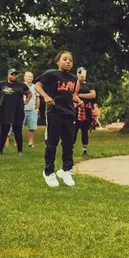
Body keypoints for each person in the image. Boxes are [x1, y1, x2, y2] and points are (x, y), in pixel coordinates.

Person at [35, 51, 81, 187]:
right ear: (58, 62)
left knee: (68, 144)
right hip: (54, 113)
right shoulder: (52, 74)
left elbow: (70, 93)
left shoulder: (73, 78)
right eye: (65, 59)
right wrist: (45, 96)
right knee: (52, 143)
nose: (68, 62)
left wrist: (78, 100)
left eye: (70, 60)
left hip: (69, 113)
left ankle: (66, 170)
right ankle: (48, 172)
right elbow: (37, 85)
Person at [0, 69, 32, 155]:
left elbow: (29, 93)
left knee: (17, 131)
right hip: (4, 111)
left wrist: (27, 101)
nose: (14, 76)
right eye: (12, 74)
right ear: (8, 75)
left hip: (18, 111)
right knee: (3, 131)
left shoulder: (21, 85)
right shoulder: (2, 84)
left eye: (15, 74)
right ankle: (0, 150)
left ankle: (20, 151)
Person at [74, 68, 96, 157]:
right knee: (74, 129)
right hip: (76, 108)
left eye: (84, 73)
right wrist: (78, 81)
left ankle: (85, 150)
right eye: (81, 73)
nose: (83, 75)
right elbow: (74, 93)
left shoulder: (89, 85)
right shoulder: (75, 83)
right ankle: (70, 149)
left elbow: (93, 95)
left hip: (86, 108)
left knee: (84, 130)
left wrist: (81, 95)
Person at [23, 72, 40, 148]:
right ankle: (16, 142)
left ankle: (30, 142)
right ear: (24, 77)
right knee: (18, 127)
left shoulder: (34, 87)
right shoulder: (20, 86)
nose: (30, 78)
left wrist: (37, 109)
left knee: (32, 128)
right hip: (21, 109)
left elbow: (37, 98)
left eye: (31, 76)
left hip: (32, 110)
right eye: (28, 76)